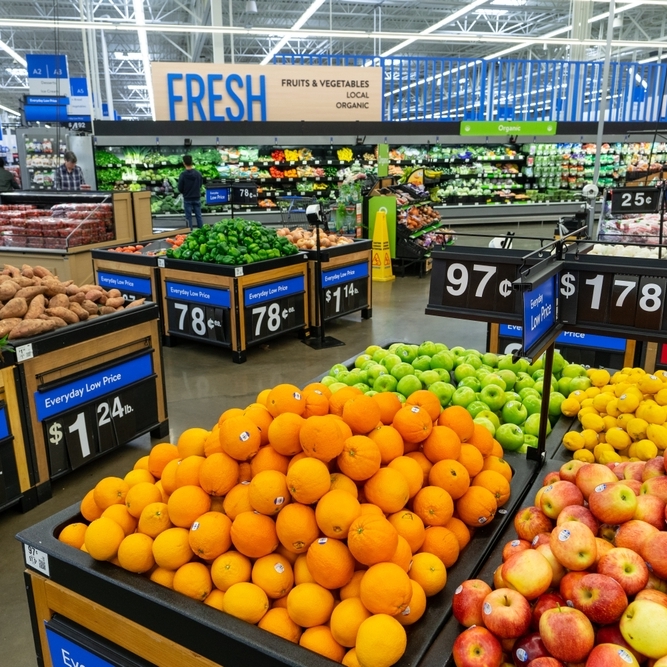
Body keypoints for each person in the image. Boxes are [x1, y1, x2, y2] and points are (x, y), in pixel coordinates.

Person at [177, 155, 204, 228]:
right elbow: (200, 185)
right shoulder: (198, 174)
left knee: (188, 217)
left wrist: (184, 192)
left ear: (184, 163)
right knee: (199, 216)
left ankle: (190, 232)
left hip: (187, 198)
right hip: (197, 197)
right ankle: (202, 231)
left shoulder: (182, 175)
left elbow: (180, 188)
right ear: (192, 162)